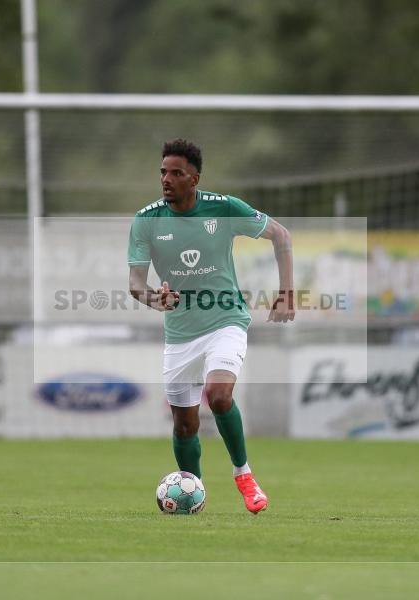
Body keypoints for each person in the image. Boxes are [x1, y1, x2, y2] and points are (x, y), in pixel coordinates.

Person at [128, 139, 294, 513]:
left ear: (194, 179)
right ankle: (192, 492)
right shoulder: (147, 220)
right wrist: (156, 298)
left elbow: (280, 235)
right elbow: (136, 283)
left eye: (176, 173)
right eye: (163, 172)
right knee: (185, 426)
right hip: (180, 333)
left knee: (219, 397)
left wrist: (286, 293)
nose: (166, 180)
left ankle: (244, 475)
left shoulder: (224, 209)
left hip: (225, 321)